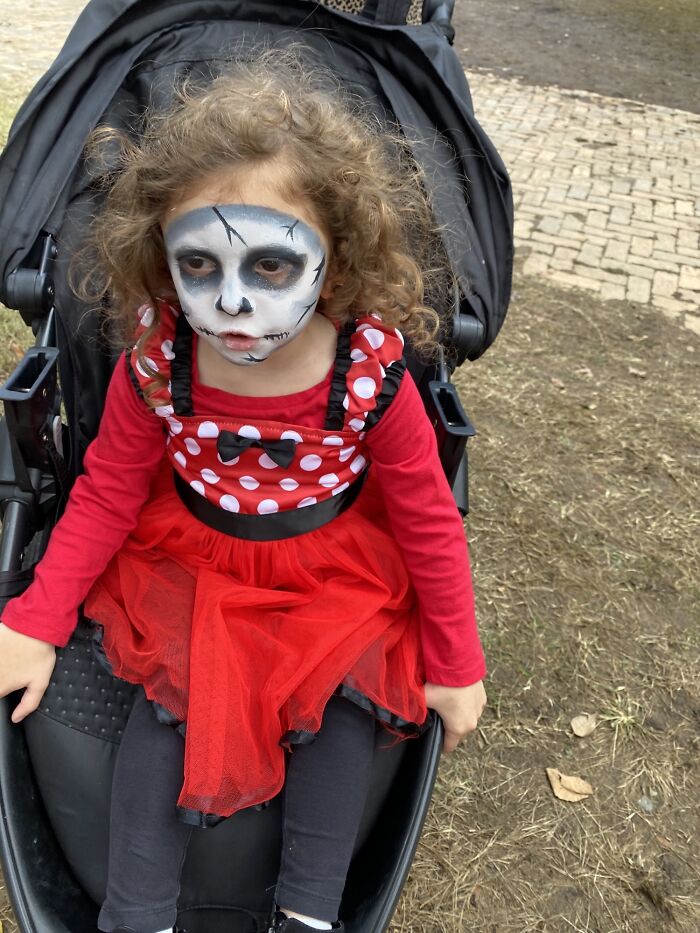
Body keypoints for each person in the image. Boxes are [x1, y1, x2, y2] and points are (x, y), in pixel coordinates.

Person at [0, 53, 486, 933]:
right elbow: (107, 489)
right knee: (166, 710)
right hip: (190, 564)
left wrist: (456, 664)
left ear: (333, 267)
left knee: (343, 722)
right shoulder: (160, 359)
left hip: (331, 576)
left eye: (269, 266)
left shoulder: (367, 374)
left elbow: (428, 518)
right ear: (163, 257)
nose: (228, 303)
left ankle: (307, 914)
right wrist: (35, 620)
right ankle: (136, 913)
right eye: (198, 265)